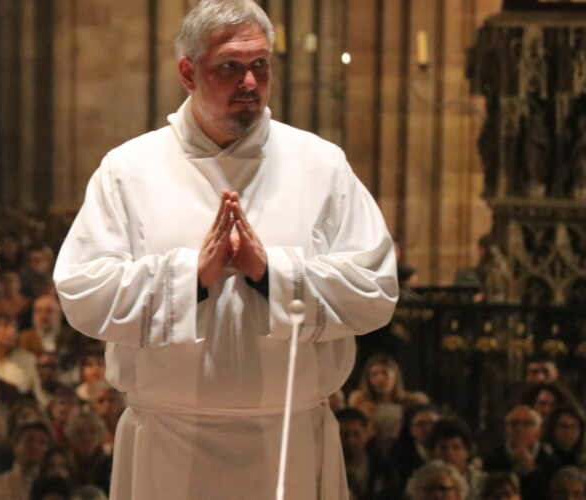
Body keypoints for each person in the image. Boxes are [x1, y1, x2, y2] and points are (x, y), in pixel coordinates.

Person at [51, 1, 399, 497]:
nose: (250, 82)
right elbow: (82, 291)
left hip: (289, 438)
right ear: (188, 73)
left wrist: (272, 275)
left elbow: (376, 288)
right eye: (230, 67)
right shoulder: (129, 169)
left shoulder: (321, 166)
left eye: (261, 65)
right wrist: (190, 278)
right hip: (169, 440)